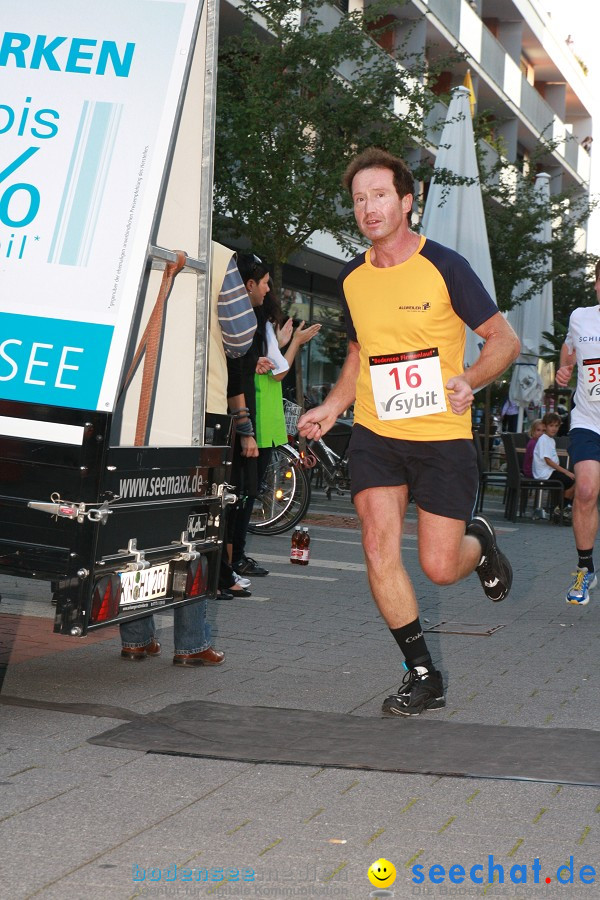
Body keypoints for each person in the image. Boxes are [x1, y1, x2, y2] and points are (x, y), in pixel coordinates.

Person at [298, 147, 520, 716]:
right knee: (377, 545)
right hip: (377, 431)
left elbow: (504, 340)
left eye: (379, 196)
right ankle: (422, 672)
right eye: (359, 200)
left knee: (440, 568)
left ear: (406, 201)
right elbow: (358, 353)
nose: (368, 208)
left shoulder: (444, 266)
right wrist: (332, 406)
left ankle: (482, 543)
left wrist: (470, 379)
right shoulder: (352, 279)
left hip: (441, 434)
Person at [119, 242, 257, 664]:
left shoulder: (134, 232)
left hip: (135, 401)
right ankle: (191, 643)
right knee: (195, 525)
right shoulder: (218, 254)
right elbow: (240, 337)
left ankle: (137, 638)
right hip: (200, 407)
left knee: (137, 519)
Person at [556, 260, 600, 605]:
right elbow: (569, 349)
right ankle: (585, 569)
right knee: (585, 489)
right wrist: (564, 368)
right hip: (588, 420)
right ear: (597, 285)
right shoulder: (581, 317)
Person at [532, 412, 575, 517]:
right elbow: (548, 461)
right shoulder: (544, 439)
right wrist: (566, 471)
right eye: (551, 426)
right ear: (545, 426)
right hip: (544, 474)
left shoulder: (550, 440)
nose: (554, 429)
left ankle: (563, 507)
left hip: (549, 472)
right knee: (573, 480)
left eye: (556, 426)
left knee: (575, 479)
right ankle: (562, 508)